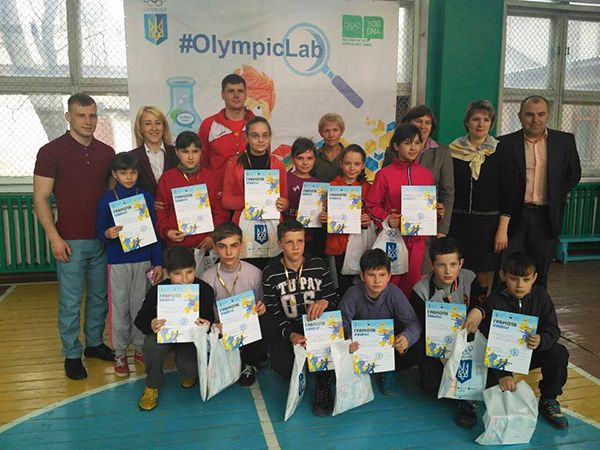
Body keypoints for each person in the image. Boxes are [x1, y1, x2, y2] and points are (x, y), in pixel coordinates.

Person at [33, 93, 115, 380]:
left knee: (99, 297)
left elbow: (113, 195)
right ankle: (71, 354)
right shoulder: (50, 151)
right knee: (70, 301)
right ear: (68, 117)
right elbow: (40, 198)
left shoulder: (107, 153)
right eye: (81, 115)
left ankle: (94, 344)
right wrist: (54, 237)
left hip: (102, 239)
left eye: (92, 115)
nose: (88, 121)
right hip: (69, 240)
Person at [497, 95, 581, 287]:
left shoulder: (564, 141)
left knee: (540, 271)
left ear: (548, 115)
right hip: (513, 216)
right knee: (506, 269)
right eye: (530, 114)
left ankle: (536, 306)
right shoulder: (504, 143)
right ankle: (503, 307)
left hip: (546, 216)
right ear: (520, 116)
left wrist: (555, 194)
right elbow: (498, 180)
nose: (535, 119)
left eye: (541, 114)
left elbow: (574, 173)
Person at [480, 252, 570, 429]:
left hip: (530, 353)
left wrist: (542, 340)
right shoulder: (494, 301)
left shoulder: (541, 296)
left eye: (526, 279)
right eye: (514, 279)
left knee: (558, 353)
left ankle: (549, 399)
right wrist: (503, 374)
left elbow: (552, 328)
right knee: (485, 389)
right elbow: (486, 341)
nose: (520, 285)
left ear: (534, 278)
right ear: (503, 275)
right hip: (498, 360)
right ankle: (469, 402)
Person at [96, 153, 163, 377]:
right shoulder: (108, 199)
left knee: (140, 305)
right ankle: (120, 353)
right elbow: (99, 230)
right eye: (123, 173)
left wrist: (157, 262)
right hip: (118, 262)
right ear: (115, 174)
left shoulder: (145, 197)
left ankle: (140, 348)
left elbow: (154, 232)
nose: (129, 177)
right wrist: (107, 233)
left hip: (143, 261)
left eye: (133, 172)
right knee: (120, 307)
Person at [262, 220, 339, 416]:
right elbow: (274, 312)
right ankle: (307, 369)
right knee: (282, 366)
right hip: (289, 329)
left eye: (300, 241)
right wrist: (291, 335)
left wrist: (325, 302)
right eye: (289, 242)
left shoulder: (319, 266)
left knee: (331, 361)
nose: (296, 247)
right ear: (280, 244)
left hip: (316, 327)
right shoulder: (270, 273)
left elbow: (334, 298)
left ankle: (323, 382)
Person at [408, 237, 486, 428]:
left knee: (486, 379)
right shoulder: (420, 290)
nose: (448, 271)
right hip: (438, 349)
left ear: (461, 263)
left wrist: (479, 310)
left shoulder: (470, 279)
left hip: (468, 345)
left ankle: (465, 400)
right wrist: (442, 355)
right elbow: (420, 328)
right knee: (431, 386)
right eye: (441, 265)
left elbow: (488, 306)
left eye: (453, 264)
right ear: (432, 265)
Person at [135, 247, 215, 411]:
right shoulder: (157, 291)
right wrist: (151, 324)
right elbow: (140, 320)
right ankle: (152, 385)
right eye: (177, 274)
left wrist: (206, 324)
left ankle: (189, 372)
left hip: (190, 338)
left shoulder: (205, 290)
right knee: (151, 346)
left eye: (189, 272)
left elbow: (210, 319)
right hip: (164, 335)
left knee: (190, 370)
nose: (185, 279)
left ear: (195, 270)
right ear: (167, 273)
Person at [448, 100, 514, 294]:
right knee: (453, 270)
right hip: (457, 221)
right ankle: (457, 309)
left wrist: (502, 229)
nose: (481, 124)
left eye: (486, 120)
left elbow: (509, 192)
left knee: (482, 273)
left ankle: (480, 309)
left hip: (487, 224)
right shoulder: (453, 149)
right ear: (467, 122)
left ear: (491, 123)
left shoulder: (501, 150)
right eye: (476, 119)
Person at [366, 123, 436, 297]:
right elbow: (371, 205)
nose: (413, 148)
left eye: (417, 143)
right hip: (393, 240)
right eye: (407, 143)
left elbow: (428, 209)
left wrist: (437, 212)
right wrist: (387, 219)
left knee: (411, 288)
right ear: (396, 146)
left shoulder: (426, 175)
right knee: (389, 287)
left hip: (417, 243)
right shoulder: (384, 174)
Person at [340, 249, 422, 396]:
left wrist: (406, 338)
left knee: (414, 348)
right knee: (339, 351)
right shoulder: (352, 294)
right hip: (359, 345)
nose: (377, 281)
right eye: (371, 275)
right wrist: (348, 339)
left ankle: (389, 370)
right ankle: (358, 369)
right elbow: (341, 323)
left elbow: (413, 324)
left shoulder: (394, 293)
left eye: (382, 275)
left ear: (389, 276)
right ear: (362, 276)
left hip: (387, 344)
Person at [200, 222, 270, 387]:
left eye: (234, 245)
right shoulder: (207, 277)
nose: (229, 252)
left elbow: (261, 303)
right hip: (221, 329)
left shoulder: (255, 273)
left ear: (241, 246)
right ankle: (231, 357)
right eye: (222, 246)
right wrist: (214, 326)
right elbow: (206, 314)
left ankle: (249, 361)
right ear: (214, 248)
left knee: (267, 323)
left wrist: (261, 309)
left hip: (247, 328)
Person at [222, 116, 289, 269]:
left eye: (265, 135)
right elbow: (226, 200)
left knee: (272, 270)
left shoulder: (278, 164)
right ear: (246, 137)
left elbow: (284, 200)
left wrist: (283, 203)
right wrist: (252, 201)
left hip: (272, 225)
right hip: (244, 225)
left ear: (270, 137)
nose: (261, 140)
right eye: (255, 135)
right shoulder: (234, 163)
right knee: (248, 272)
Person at [383, 105, 455, 242]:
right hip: (396, 226)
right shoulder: (393, 151)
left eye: (428, 122)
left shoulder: (442, 152)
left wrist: (442, 230)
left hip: (427, 226)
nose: (423, 126)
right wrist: (388, 219)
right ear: (408, 123)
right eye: (418, 121)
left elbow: (447, 192)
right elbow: (385, 189)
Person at [155, 131, 229, 252]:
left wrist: (213, 236)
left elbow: (221, 213)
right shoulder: (166, 178)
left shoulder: (212, 178)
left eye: (195, 151)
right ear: (177, 152)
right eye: (185, 152)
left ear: (201, 152)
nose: (190, 157)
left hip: (206, 245)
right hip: (177, 247)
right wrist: (167, 231)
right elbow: (160, 211)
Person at [322, 145, 372, 297]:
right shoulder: (332, 186)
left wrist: (367, 219)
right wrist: (324, 218)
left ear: (363, 165)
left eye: (357, 164)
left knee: (362, 289)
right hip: (337, 247)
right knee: (340, 290)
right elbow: (324, 215)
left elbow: (374, 214)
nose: (352, 168)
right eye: (348, 163)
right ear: (341, 164)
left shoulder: (368, 188)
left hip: (360, 247)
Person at [198, 73, 255, 184]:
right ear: (222, 95)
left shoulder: (258, 125)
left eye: (240, 91)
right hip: (218, 192)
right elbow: (201, 163)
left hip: (252, 190)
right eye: (231, 91)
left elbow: (266, 161)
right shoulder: (208, 125)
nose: (236, 95)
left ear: (246, 94)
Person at [128, 106, 178, 197]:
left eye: (158, 123)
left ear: (164, 127)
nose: (154, 128)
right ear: (140, 128)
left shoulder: (177, 154)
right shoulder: (131, 157)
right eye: (148, 124)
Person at [285, 137, 323, 257]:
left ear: (315, 159)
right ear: (292, 159)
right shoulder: (284, 179)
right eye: (300, 158)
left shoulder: (318, 185)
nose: (305, 163)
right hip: (286, 235)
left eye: (309, 158)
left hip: (309, 237)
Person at [312, 113, 345, 182]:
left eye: (335, 130)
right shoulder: (313, 157)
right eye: (326, 131)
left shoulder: (349, 157)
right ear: (320, 133)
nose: (331, 135)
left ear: (342, 131)